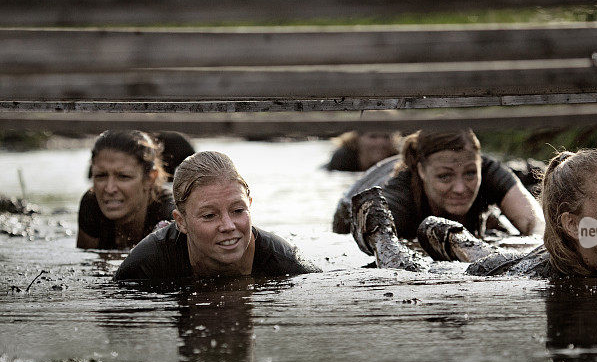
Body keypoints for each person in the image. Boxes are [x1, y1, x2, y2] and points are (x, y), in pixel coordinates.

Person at [351, 148, 597, 276]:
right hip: (506, 264)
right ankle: (383, 236)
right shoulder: (543, 276)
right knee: (448, 254)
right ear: (574, 225)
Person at [114, 151, 320, 281]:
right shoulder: (145, 265)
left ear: (250, 205)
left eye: (238, 211)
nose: (228, 225)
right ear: (181, 222)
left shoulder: (284, 263)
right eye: (210, 215)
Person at [332, 129, 545, 239]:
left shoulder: (488, 170)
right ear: (422, 171)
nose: (461, 188)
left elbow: (535, 225)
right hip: (348, 210)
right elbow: (376, 238)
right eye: (445, 177)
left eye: (470, 174)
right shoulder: (400, 193)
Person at [77, 130, 174, 250]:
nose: (109, 189)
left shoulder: (170, 214)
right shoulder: (91, 203)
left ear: (150, 178)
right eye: (101, 176)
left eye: (123, 176)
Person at [325, 131, 399, 172]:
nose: (381, 142)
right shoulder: (342, 158)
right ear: (358, 138)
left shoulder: (398, 159)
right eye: (373, 137)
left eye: (386, 137)